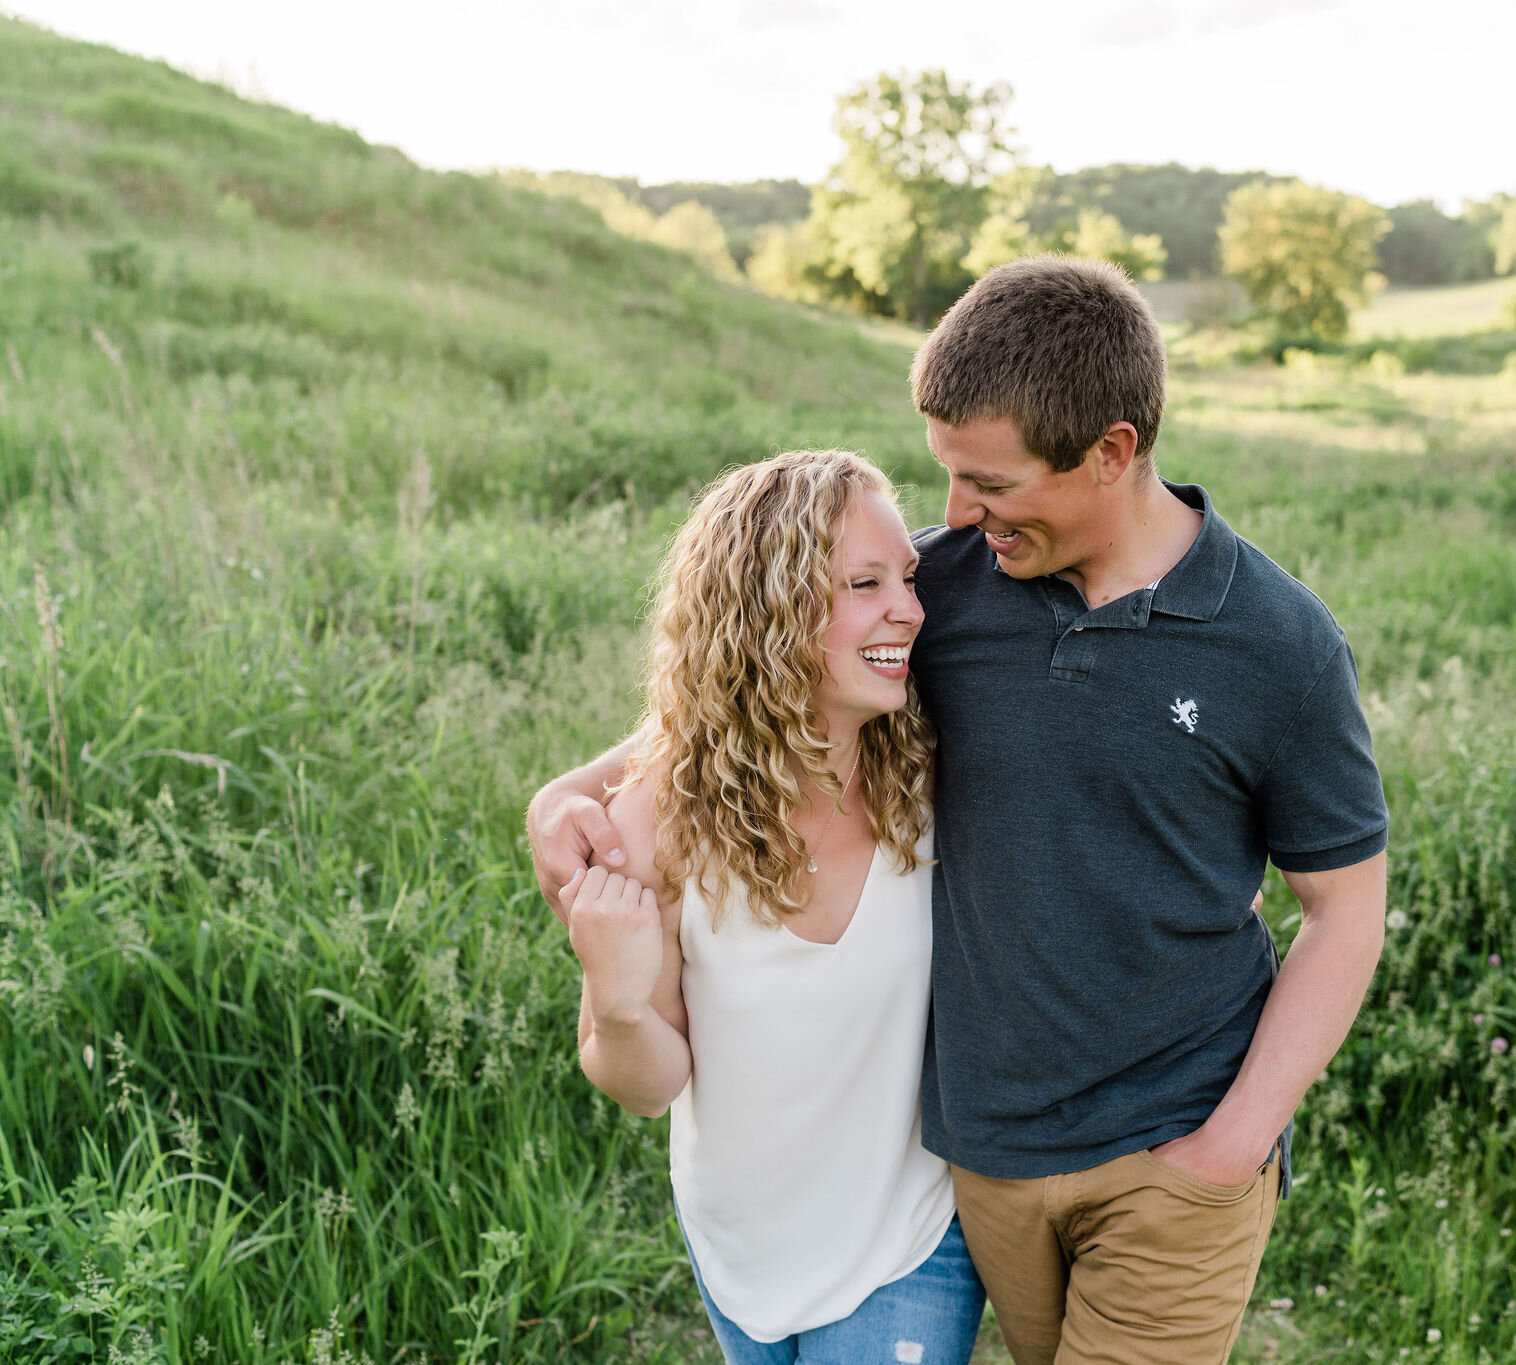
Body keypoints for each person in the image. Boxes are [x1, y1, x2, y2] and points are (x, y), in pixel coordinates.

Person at [532, 255, 1389, 1365]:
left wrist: (1232, 1145)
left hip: (1174, 1144)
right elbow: (758, 677)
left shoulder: (1275, 643)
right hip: (987, 1158)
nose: (953, 513)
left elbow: (1344, 912)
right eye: (945, 475)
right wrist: (575, 791)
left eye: (986, 481)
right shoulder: (945, 586)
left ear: (1111, 452)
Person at [563, 448, 985, 1365]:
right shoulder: (658, 818)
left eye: (906, 579)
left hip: (906, 1237)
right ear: (770, 611)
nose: (910, 609)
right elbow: (647, 1085)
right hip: (738, 1243)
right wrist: (619, 997)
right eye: (864, 583)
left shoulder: (938, 770)